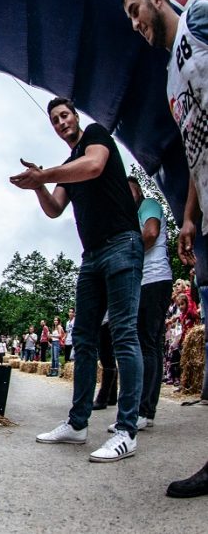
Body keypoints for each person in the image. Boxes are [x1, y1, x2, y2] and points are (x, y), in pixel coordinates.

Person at [11, 96, 143, 463]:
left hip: (122, 244)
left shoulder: (96, 137)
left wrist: (45, 174)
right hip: (92, 256)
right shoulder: (68, 165)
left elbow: (95, 166)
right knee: (83, 339)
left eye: (64, 115)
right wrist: (38, 184)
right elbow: (54, 209)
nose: (60, 122)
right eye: (54, 120)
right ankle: (78, 423)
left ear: (76, 117)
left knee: (124, 334)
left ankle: (126, 430)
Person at [123, 0, 208, 497]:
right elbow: (199, 151)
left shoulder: (198, 23)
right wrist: (192, 215)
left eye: (136, 9)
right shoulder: (171, 79)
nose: (135, 23)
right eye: (129, 18)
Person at [106, 176, 173, 432]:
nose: (126, 194)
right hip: (143, 281)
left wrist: (124, 252)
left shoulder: (148, 205)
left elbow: (152, 233)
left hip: (154, 280)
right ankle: (145, 410)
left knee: (145, 344)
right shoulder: (128, 217)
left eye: (130, 189)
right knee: (149, 344)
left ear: (138, 190)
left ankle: (143, 410)